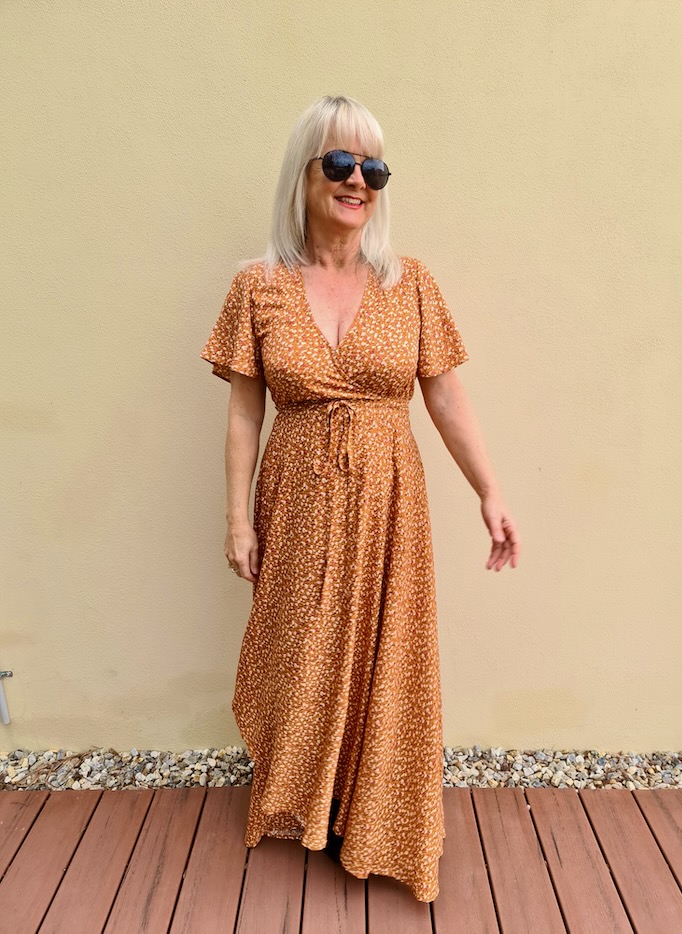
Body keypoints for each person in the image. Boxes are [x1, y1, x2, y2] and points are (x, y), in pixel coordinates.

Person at [199, 94, 520, 903]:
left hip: (388, 501)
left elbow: (444, 397)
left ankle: (371, 814)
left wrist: (490, 491)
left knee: (388, 650)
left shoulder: (410, 283)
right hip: (299, 495)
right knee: (296, 647)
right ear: (302, 176)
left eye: (372, 168)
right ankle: (305, 801)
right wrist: (236, 516)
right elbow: (245, 408)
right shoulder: (257, 285)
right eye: (339, 163)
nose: (358, 182)